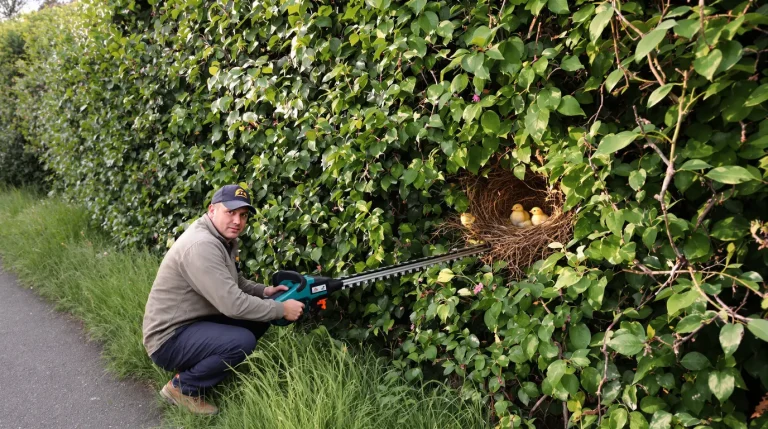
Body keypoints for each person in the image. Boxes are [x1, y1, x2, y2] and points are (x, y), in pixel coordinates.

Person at [142, 184, 306, 415]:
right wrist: (281, 309)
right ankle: (183, 388)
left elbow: (235, 282)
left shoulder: (220, 238)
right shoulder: (202, 245)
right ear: (212, 210)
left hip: (192, 323)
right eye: (231, 212)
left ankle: (200, 367)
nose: (237, 221)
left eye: (243, 215)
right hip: (168, 339)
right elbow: (233, 305)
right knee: (242, 340)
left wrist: (265, 292)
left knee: (259, 317)